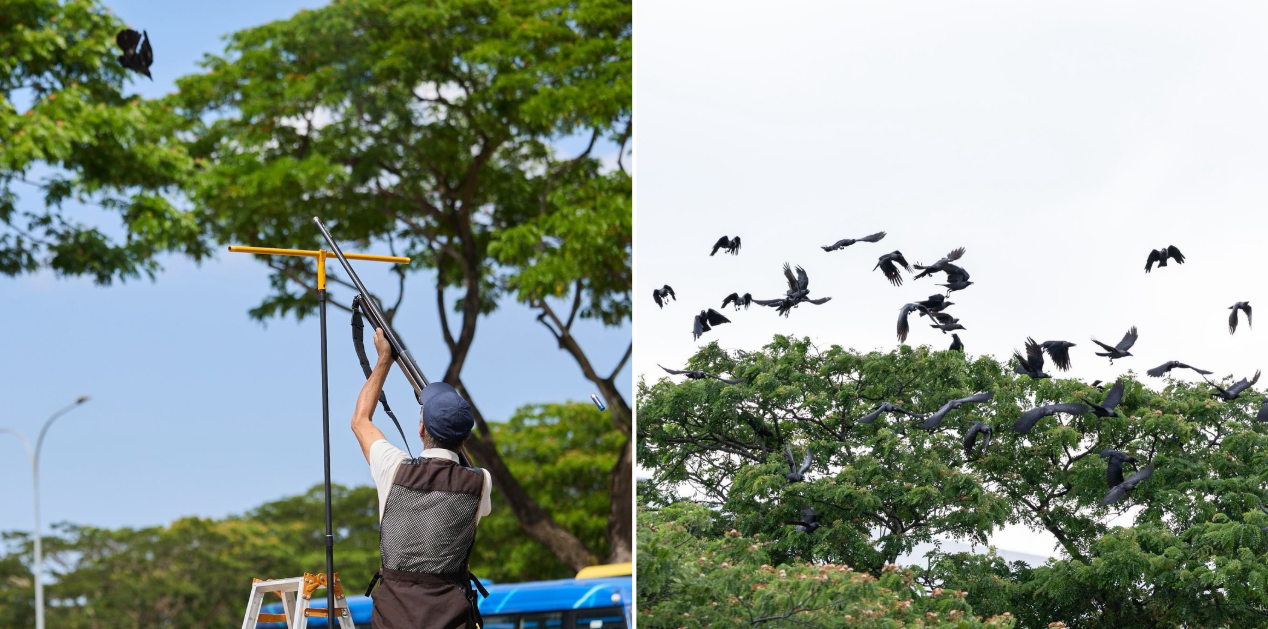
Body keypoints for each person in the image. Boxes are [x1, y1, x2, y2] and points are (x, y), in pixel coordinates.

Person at [352, 328, 492, 629]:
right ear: (465, 437)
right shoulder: (481, 482)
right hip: (451, 619)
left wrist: (384, 361)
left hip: (393, 618)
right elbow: (463, 469)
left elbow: (361, 421)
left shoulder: (394, 468)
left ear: (421, 431)